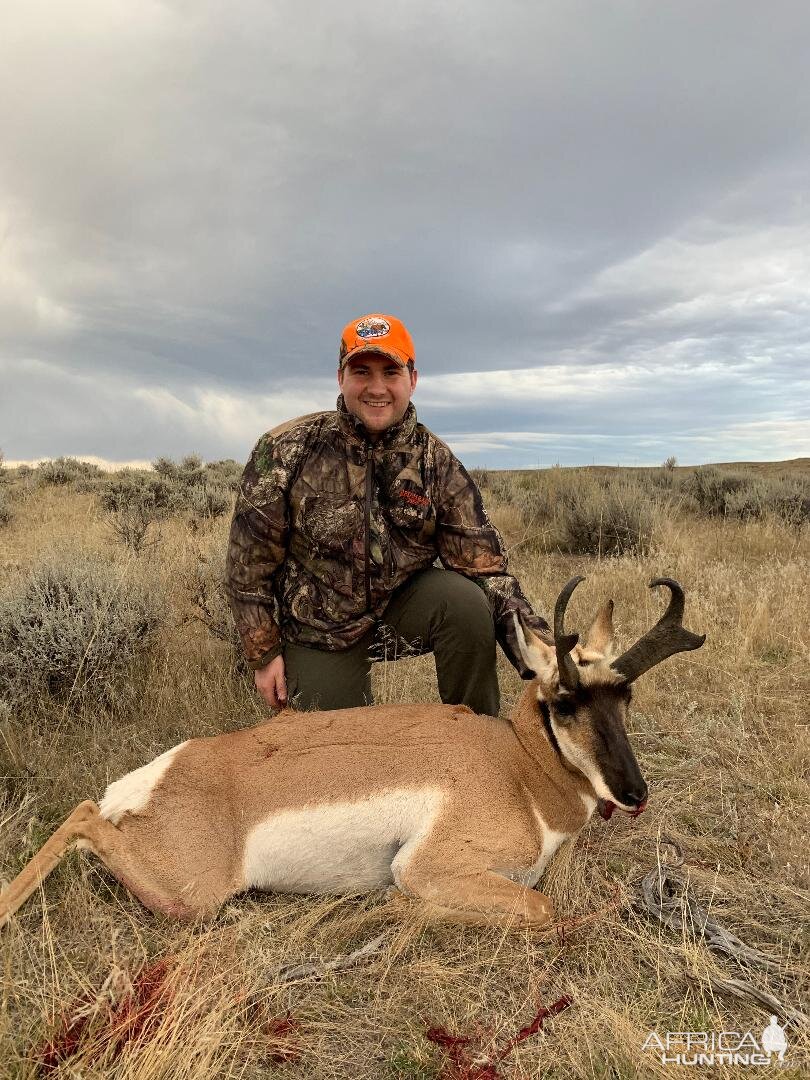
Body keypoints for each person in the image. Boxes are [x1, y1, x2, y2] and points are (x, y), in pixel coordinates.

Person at [225, 313, 549, 715]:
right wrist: (264, 654)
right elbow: (248, 565)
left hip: (401, 609)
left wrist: (543, 654)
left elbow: (484, 569)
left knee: (467, 603)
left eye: (390, 372)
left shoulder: (436, 462)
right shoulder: (285, 449)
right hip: (320, 628)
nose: (377, 388)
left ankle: (479, 745)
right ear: (340, 377)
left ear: (412, 379)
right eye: (361, 371)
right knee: (336, 757)